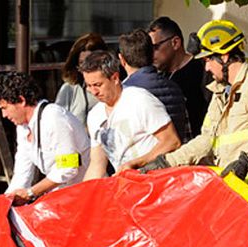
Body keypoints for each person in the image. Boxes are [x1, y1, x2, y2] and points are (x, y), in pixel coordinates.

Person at [142, 19, 248, 185]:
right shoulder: (220, 93)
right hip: (234, 188)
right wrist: (166, 162)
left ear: (224, 56)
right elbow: (206, 139)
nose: (206, 68)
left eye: (207, 60)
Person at [0, 72, 91, 205]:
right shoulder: (22, 127)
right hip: (61, 195)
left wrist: (31, 192)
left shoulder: (54, 117)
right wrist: (6, 202)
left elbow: (68, 167)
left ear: (21, 100)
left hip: (85, 194)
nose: (4, 115)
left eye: (5, 108)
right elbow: (22, 172)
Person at [79, 50, 181, 179]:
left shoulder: (140, 99)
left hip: (156, 181)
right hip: (126, 187)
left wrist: (135, 163)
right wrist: (85, 195)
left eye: (98, 85)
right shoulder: (95, 115)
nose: (93, 92)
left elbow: (172, 141)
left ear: (115, 78)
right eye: (88, 86)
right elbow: (97, 166)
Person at [119, 28, 190, 142]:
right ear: (152, 54)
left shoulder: (123, 93)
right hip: (176, 156)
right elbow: (186, 132)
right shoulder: (174, 87)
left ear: (122, 59)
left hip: (144, 158)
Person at [148, 16, 211, 137]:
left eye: (155, 47)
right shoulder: (159, 77)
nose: (151, 54)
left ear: (175, 42)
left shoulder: (203, 71)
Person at [55, 33, 108, 126]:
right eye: (82, 63)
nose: (87, 68)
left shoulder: (113, 88)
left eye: (92, 63)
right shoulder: (69, 89)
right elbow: (58, 124)